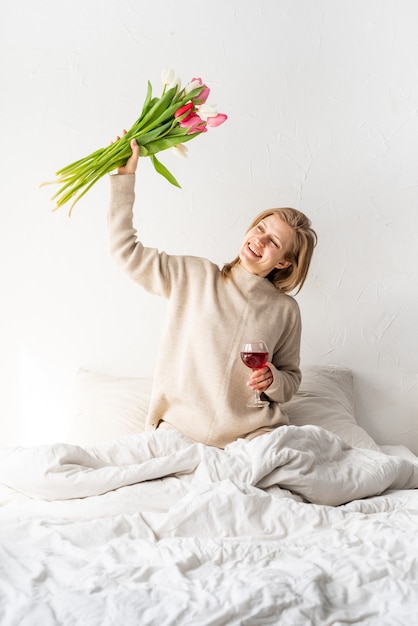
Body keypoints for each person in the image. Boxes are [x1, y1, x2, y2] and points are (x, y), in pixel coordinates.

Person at [108, 139, 317, 449]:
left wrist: (273, 379)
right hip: (179, 432)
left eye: (273, 242)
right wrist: (124, 181)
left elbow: (290, 380)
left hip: (253, 436)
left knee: (315, 464)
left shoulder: (285, 310)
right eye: (260, 228)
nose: (260, 240)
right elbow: (125, 251)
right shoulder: (195, 276)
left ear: (284, 262)